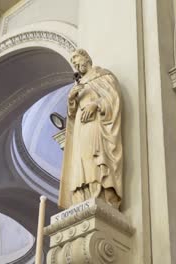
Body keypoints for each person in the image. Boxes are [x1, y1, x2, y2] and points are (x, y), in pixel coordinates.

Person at [58, 49, 123, 210]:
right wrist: (71, 98)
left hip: (95, 124)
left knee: (93, 156)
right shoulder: (78, 85)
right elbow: (72, 114)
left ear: (86, 58)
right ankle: (82, 196)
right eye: (73, 63)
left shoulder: (103, 76)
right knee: (80, 160)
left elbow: (113, 98)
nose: (75, 64)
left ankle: (98, 193)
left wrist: (96, 104)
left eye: (77, 60)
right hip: (81, 128)